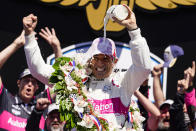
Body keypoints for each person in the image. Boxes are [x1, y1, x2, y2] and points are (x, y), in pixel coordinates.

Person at [23, 5, 152, 130]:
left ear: (115, 61)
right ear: (89, 59)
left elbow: (143, 68)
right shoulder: (72, 82)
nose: (100, 64)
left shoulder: (124, 84)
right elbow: (38, 70)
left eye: (106, 58)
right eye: (96, 58)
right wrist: (29, 36)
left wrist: (134, 30)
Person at [0, 27, 61, 130]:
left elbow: (60, 82)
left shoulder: (41, 102)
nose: (29, 84)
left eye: (33, 82)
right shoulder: (6, 99)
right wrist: (16, 45)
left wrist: (57, 48)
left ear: (37, 87)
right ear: (19, 83)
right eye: (26, 80)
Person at [152, 64, 191, 131]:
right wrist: (156, 76)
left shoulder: (182, 128)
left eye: (170, 111)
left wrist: (181, 92)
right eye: (164, 111)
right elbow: (159, 101)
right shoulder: (155, 127)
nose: (167, 115)